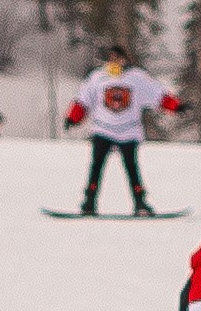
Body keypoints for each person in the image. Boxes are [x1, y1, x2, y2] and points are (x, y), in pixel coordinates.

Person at [66, 44, 181, 215]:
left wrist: (176, 107)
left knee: (132, 169)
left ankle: (140, 202)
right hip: (102, 131)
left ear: (124, 59)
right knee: (96, 168)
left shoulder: (136, 78)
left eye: (118, 58)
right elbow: (84, 100)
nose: (115, 62)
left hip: (128, 132)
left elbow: (158, 95)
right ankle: (89, 202)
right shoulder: (98, 78)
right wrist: (72, 118)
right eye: (111, 58)